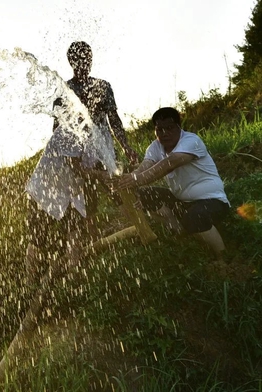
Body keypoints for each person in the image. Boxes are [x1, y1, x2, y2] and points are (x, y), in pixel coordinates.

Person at [24, 41, 139, 286]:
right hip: (60, 167)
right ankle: (35, 279)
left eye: (87, 58)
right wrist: (88, 170)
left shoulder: (103, 87)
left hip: (90, 153)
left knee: (84, 210)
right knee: (44, 225)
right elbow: (59, 135)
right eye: (78, 59)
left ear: (91, 58)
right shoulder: (65, 93)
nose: (83, 63)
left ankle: (78, 267)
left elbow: (114, 121)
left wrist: (126, 147)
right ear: (71, 62)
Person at [117, 107, 230, 262]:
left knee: (195, 217)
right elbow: (146, 165)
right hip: (181, 201)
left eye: (169, 128)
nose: (164, 133)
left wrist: (137, 179)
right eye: (159, 129)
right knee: (143, 195)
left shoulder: (191, 141)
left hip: (212, 201)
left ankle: (222, 257)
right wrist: (130, 177)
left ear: (179, 126)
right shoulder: (156, 146)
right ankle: (179, 230)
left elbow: (170, 163)